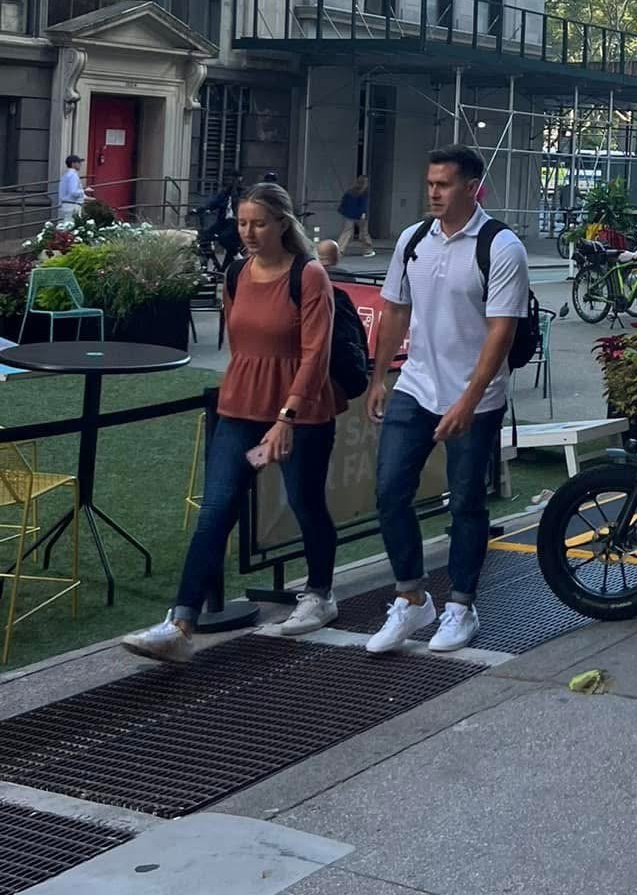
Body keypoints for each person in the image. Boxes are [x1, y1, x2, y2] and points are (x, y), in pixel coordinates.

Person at [122, 184, 342, 660]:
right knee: (215, 512)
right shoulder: (237, 273)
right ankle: (181, 623)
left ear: (283, 223)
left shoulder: (309, 276)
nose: (248, 233)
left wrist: (287, 416)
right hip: (240, 408)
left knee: (306, 504)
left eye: (259, 223)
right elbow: (241, 343)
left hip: (299, 413)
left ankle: (320, 593)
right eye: (243, 223)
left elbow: (314, 353)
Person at [364, 146, 529, 654]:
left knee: (465, 502)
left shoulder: (501, 247)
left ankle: (461, 605)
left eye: (444, 184)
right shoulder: (415, 240)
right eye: (430, 183)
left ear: (472, 187)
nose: (433, 192)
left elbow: (501, 332)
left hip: (475, 396)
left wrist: (469, 400)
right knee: (390, 489)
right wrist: (379, 378)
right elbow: (393, 311)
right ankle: (412, 598)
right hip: (416, 385)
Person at [338, 174, 372, 255]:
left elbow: (344, 201)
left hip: (349, 215)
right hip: (360, 215)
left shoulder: (350, 191)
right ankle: (368, 250)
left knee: (346, 232)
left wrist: (343, 210)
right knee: (364, 233)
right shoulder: (364, 192)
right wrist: (363, 213)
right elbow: (363, 204)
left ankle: (339, 249)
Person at [57, 154, 86, 221]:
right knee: (70, 227)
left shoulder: (65, 175)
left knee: (65, 227)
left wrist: (86, 197)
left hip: (66, 204)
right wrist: (83, 191)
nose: (80, 164)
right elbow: (73, 192)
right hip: (72, 206)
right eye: (78, 162)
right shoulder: (73, 175)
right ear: (73, 164)